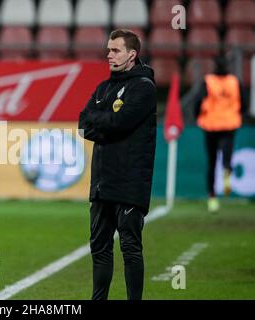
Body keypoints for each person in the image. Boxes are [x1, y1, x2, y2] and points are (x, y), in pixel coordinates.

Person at [78, 29, 157, 300]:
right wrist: (105, 124)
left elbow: (119, 123)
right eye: (108, 50)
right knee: (99, 248)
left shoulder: (144, 88)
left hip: (129, 182)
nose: (108, 55)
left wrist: (101, 123)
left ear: (132, 55)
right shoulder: (103, 88)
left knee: (130, 247)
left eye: (115, 50)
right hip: (101, 182)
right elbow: (83, 125)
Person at [192, 57, 246, 212]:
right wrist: (237, 113)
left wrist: (197, 115)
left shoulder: (208, 81)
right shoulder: (234, 81)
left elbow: (197, 101)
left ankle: (212, 197)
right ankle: (227, 169)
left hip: (211, 124)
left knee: (212, 161)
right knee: (227, 153)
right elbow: (243, 101)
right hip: (229, 123)